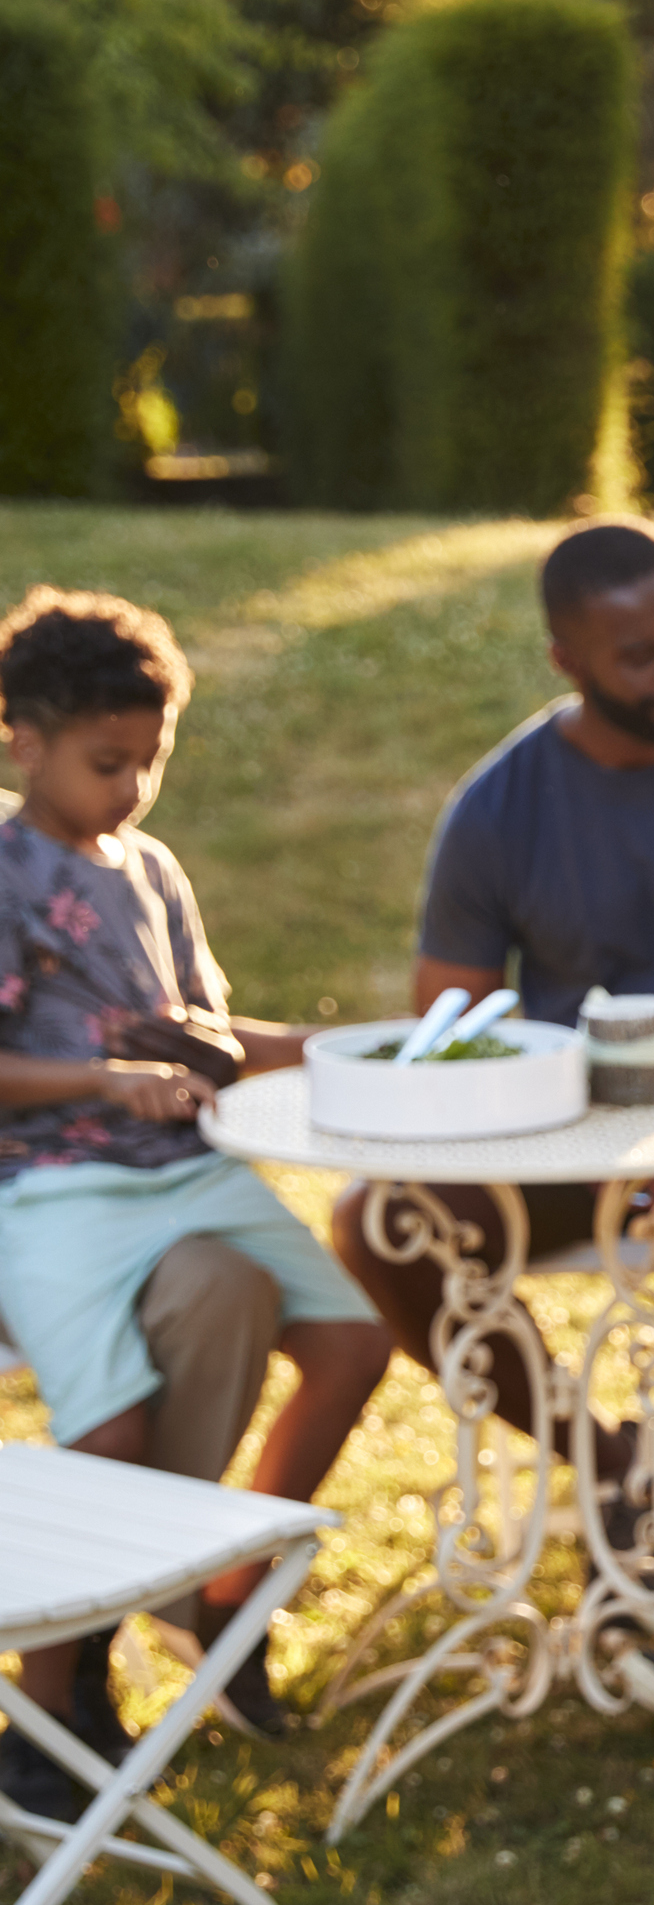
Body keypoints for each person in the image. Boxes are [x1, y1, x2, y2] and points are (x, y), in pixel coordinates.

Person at [326, 520, 654, 1728]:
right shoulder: (501, 808)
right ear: (567, 658)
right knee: (380, 1224)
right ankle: (601, 1456)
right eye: (639, 652)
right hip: (553, 1148)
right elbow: (448, 1025)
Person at [0, 589, 392, 1811]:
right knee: (107, 1435)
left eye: (151, 760)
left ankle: (220, 1592)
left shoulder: (154, 868)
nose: (132, 787)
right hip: (54, 1186)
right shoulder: (3, 872)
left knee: (353, 1334)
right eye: (107, 762)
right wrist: (107, 1083)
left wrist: (334, 1046)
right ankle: (50, 1698)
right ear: (21, 738)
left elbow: (201, 1031)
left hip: (193, 1173)